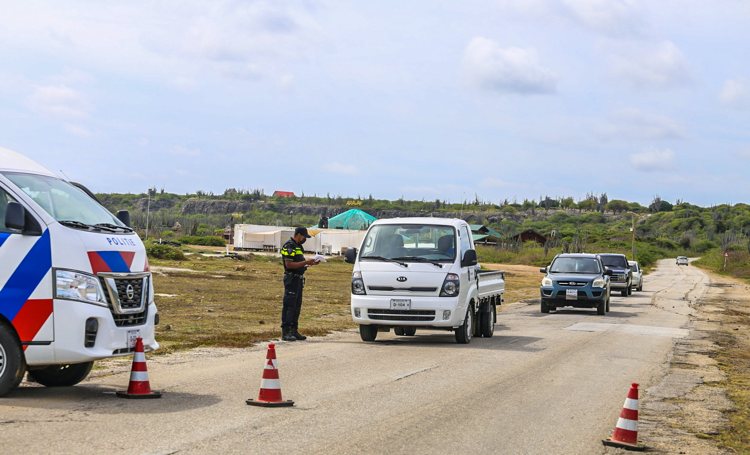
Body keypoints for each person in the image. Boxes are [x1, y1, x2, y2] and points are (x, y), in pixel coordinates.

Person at [280, 227, 319, 341]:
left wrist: (310, 263)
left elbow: (299, 263)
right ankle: (286, 331)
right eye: (303, 237)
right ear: (298, 235)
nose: (304, 239)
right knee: (289, 305)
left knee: (297, 306)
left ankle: (294, 330)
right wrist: (306, 262)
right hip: (291, 279)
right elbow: (289, 265)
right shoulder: (289, 246)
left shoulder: (298, 246)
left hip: (298, 279)